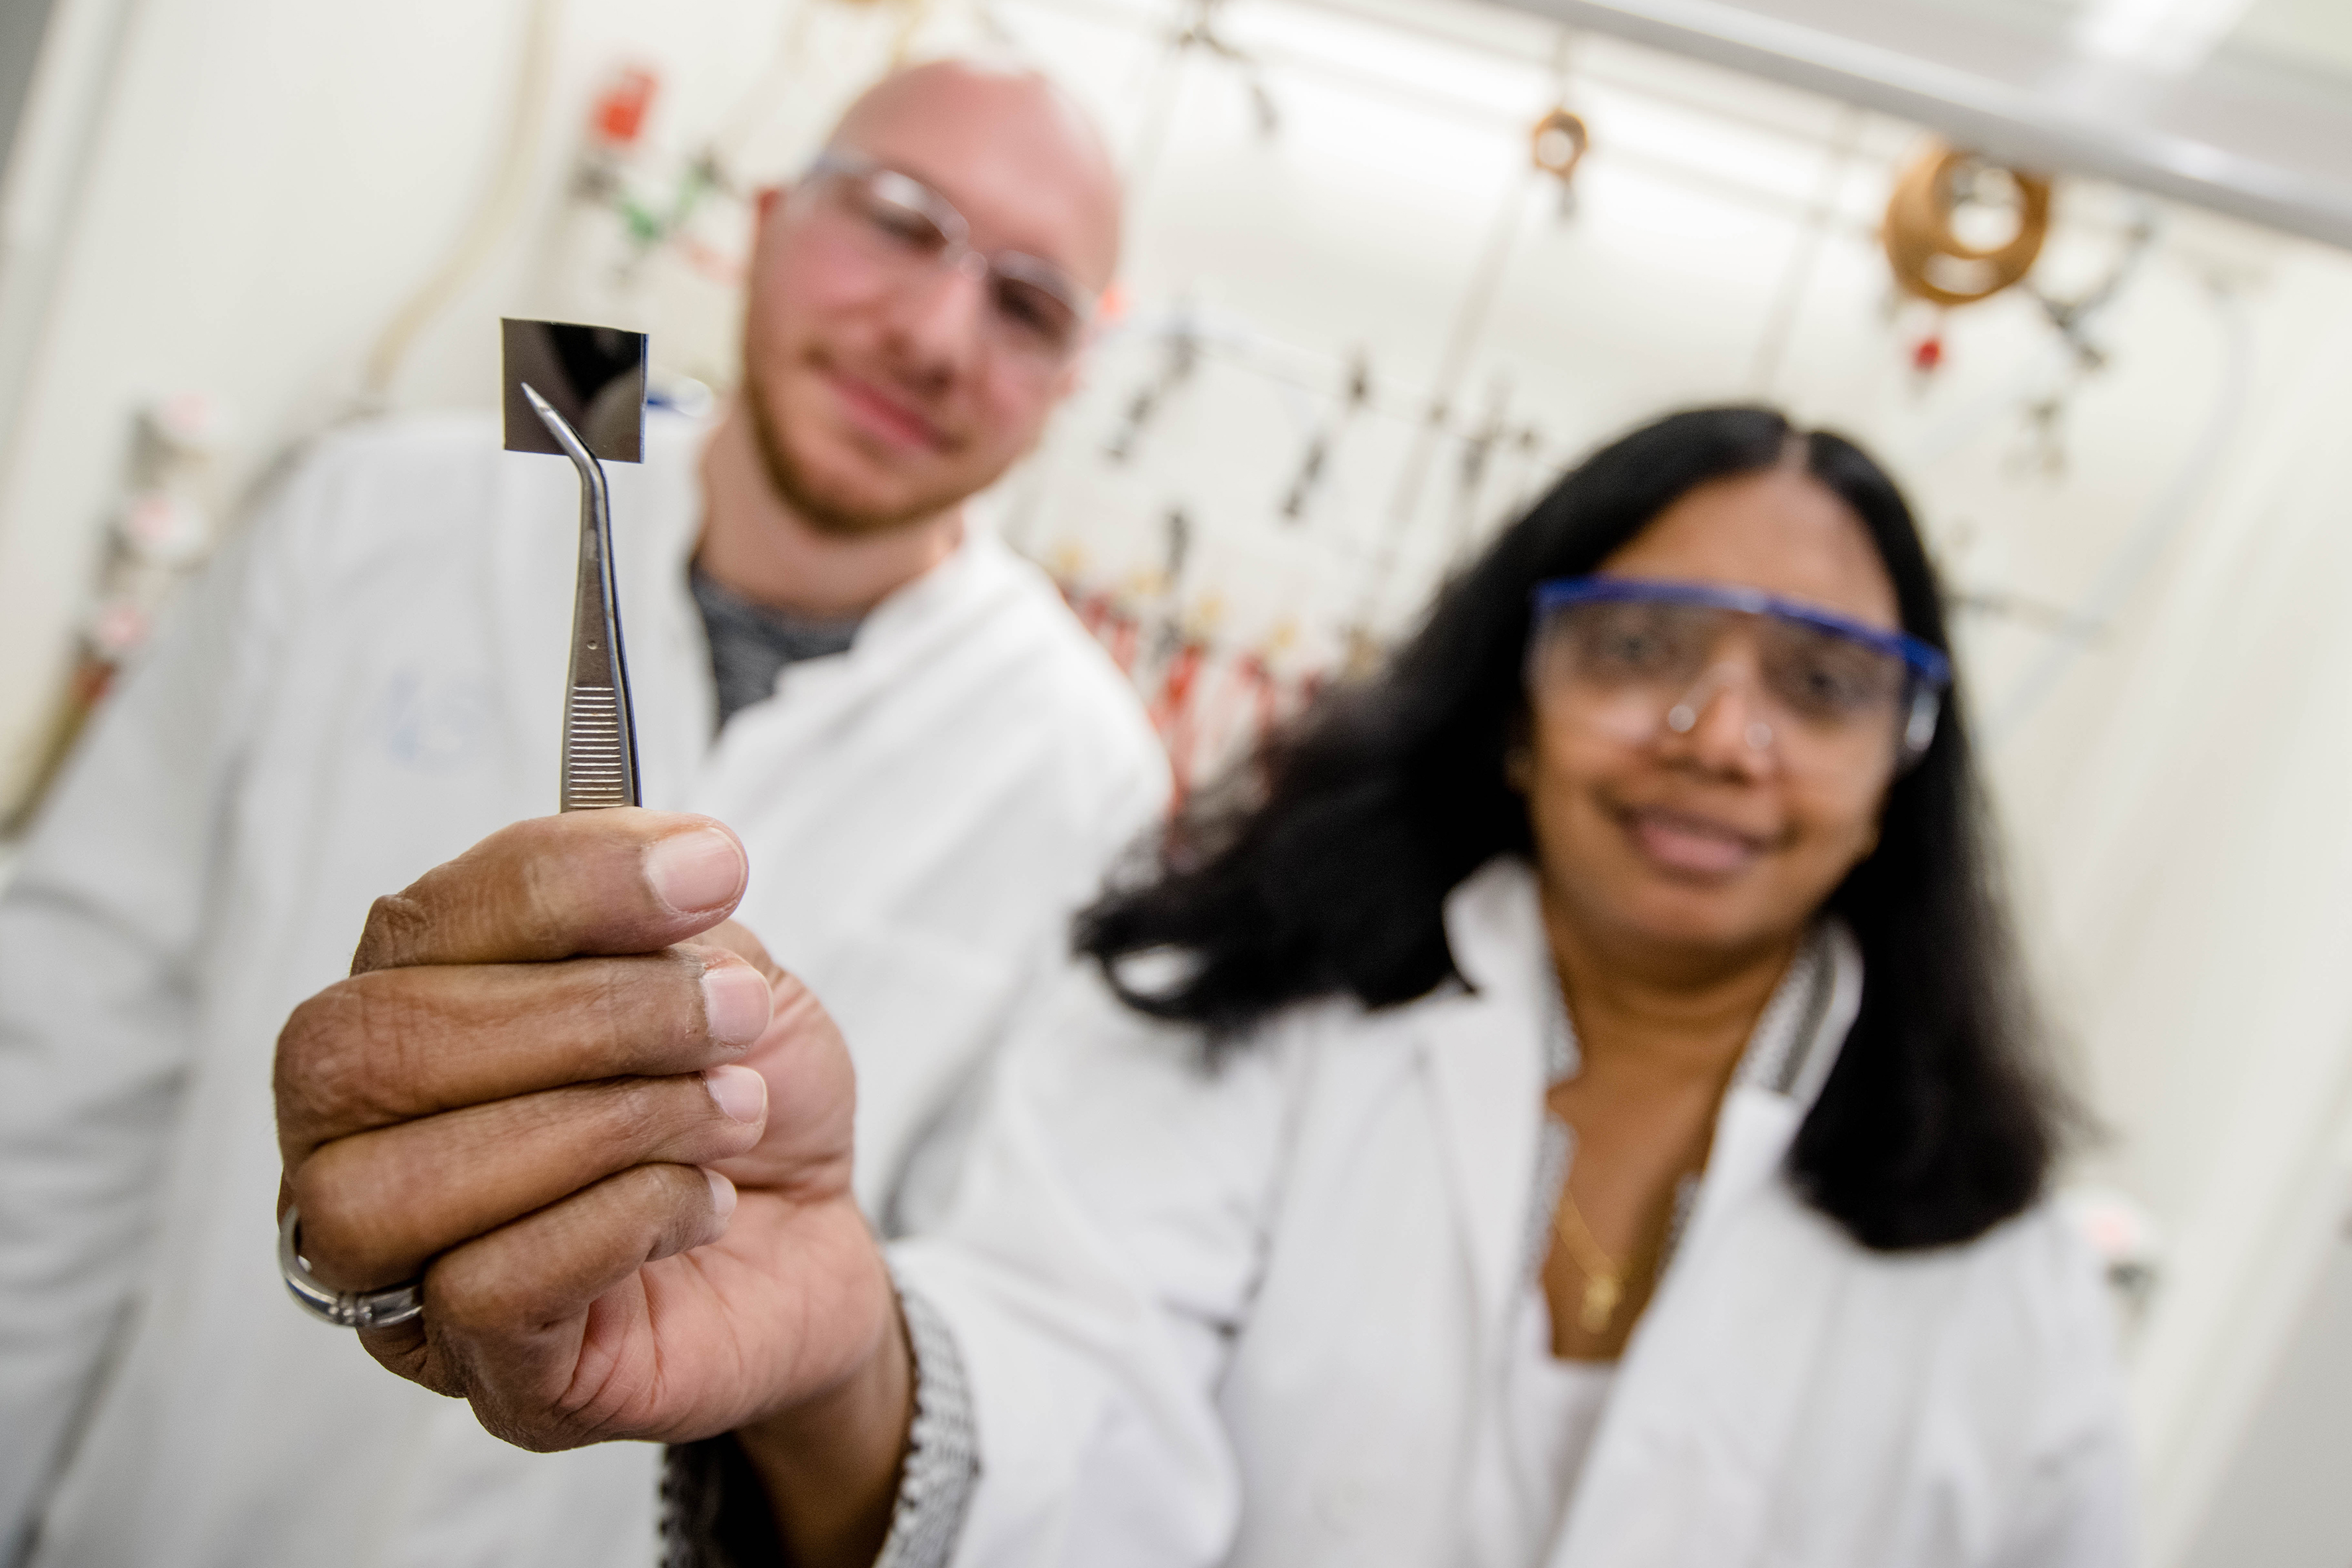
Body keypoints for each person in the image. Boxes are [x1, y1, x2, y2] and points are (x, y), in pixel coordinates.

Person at [268, 406, 2134, 1567]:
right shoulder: (1237, 1012)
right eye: (1640, 648)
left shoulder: (2009, 1264)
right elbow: (1061, 1426)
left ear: (1902, 766)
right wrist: (846, 1360)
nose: (1720, 735)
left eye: (1819, 683)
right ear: (1516, 706)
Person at [0, 58, 1168, 1568]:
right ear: (764, 220)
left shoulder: (1084, 769)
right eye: (897, 221)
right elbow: (58, 1068)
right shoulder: (381, 512)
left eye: (1027, 305)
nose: (939, 335)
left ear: (1072, 380)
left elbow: (1001, 1317)